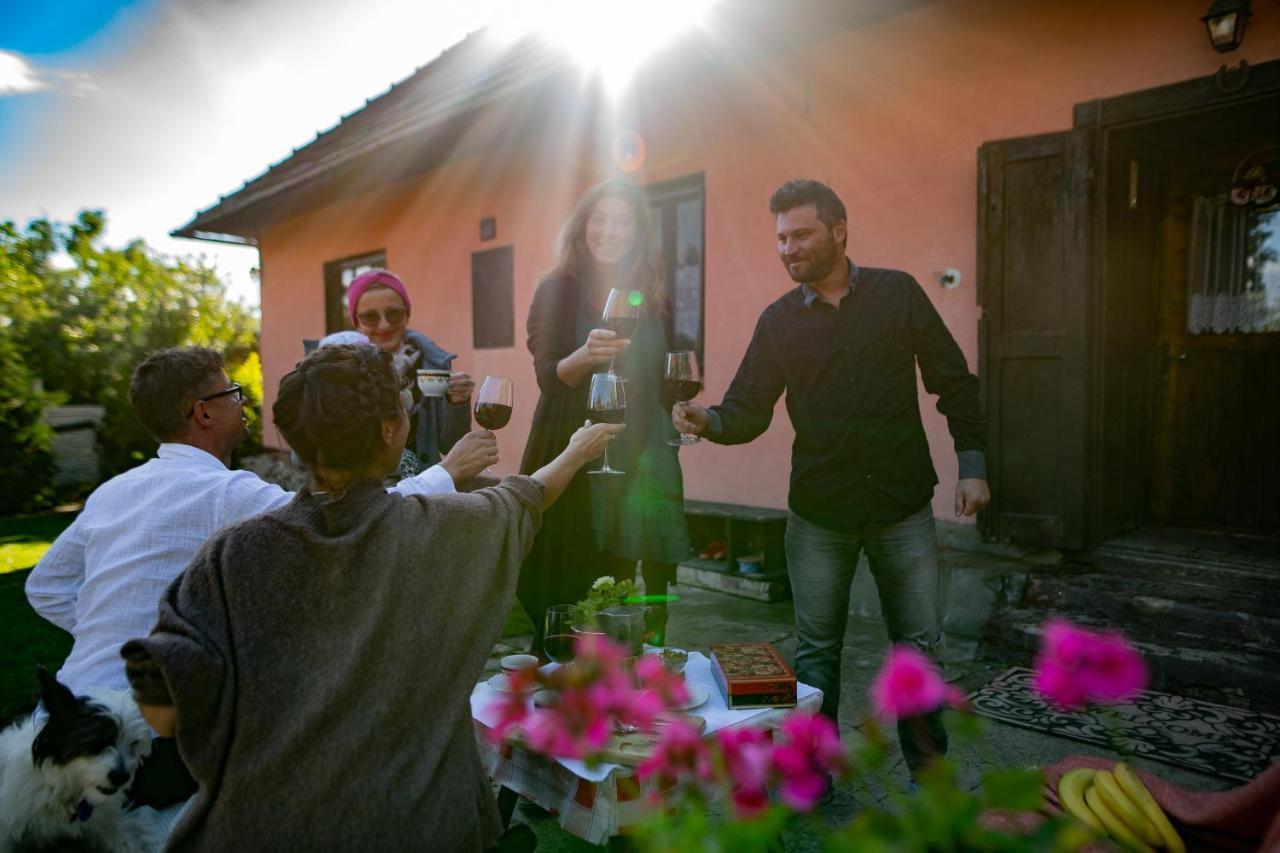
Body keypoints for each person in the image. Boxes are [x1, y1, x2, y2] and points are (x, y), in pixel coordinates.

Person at [120, 344, 622, 851]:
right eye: (404, 406)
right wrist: (578, 450)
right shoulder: (447, 531)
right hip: (420, 828)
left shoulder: (231, 554)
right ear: (388, 430)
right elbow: (527, 497)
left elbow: (162, 713)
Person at [25, 346, 495, 806]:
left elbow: (44, 586)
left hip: (61, 718)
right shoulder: (222, 492)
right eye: (232, 391)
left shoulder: (114, 490)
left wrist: (106, 630)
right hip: (145, 742)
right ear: (201, 413)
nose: (243, 400)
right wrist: (448, 472)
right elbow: (349, 519)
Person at [672, 179, 990, 776]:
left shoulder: (897, 295)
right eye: (781, 238)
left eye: (801, 234)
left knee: (918, 650)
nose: (788, 248)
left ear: (839, 231)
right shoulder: (778, 323)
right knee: (816, 654)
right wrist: (706, 419)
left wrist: (972, 465)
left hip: (901, 506)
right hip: (819, 514)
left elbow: (954, 379)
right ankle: (810, 778)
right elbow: (748, 410)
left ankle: (930, 779)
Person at [519, 179, 691, 651]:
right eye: (600, 218)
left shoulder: (653, 294)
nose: (609, 230)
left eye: (622, 220)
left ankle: (613, 697)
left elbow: (667, 374)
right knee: (568, 593)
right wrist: (586, 354)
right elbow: (549, 377)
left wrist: (681, 408)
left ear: (638, 230)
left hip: (638, 465)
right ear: (582, 225)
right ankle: (559, 692)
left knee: (617, 595)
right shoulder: (558, 288)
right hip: (575, 457)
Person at [348, 268, 474, 469]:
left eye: (394, 313)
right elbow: (305, 457)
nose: (384, 324)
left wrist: (457, 403)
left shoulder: (432, 363)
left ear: (407, 316)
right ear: (356, 322)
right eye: (370, 317)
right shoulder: (340, 367)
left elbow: (451, 445)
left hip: (424, 489)